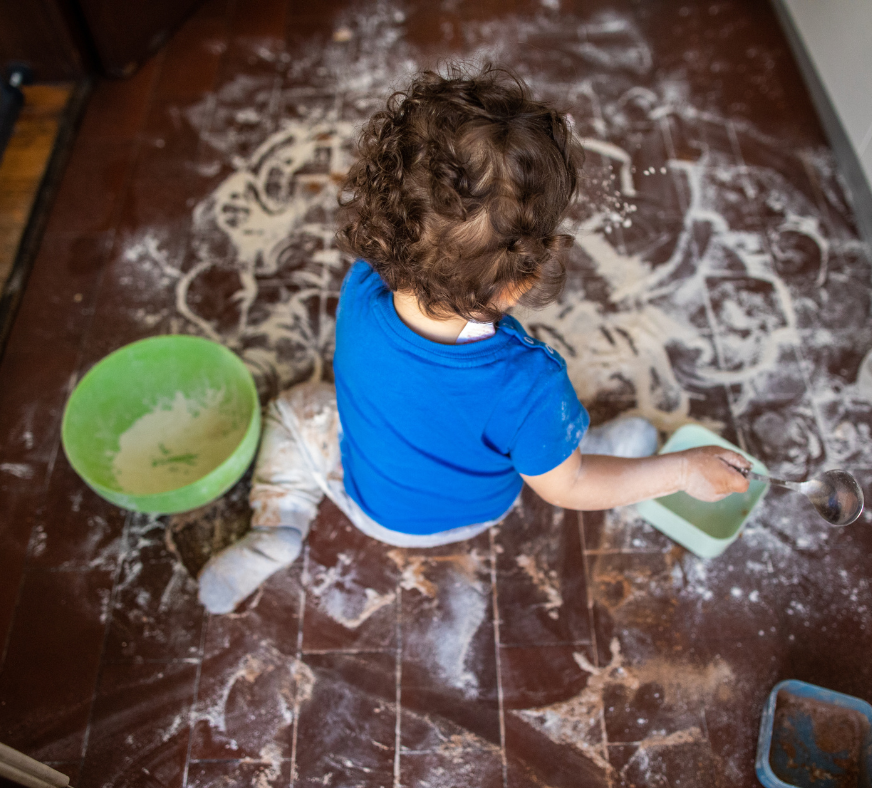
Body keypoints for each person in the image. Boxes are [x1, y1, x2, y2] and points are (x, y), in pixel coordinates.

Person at [197, 64, 750, 614]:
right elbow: (568, 488)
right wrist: (681, 471)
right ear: (524, 278)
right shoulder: (529, 381)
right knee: (553, 452)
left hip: (375, 504)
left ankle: (280, 523)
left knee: (293, 413)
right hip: (472, 511)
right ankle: (594, 446)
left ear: (388, 219)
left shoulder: (361, 283)